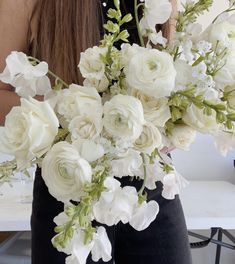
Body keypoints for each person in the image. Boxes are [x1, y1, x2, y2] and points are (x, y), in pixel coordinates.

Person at [0, 0, 193, 263]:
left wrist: (178, 121)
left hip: (150, 185)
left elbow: (175, 79)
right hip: (66, 188)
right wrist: (73, 112)